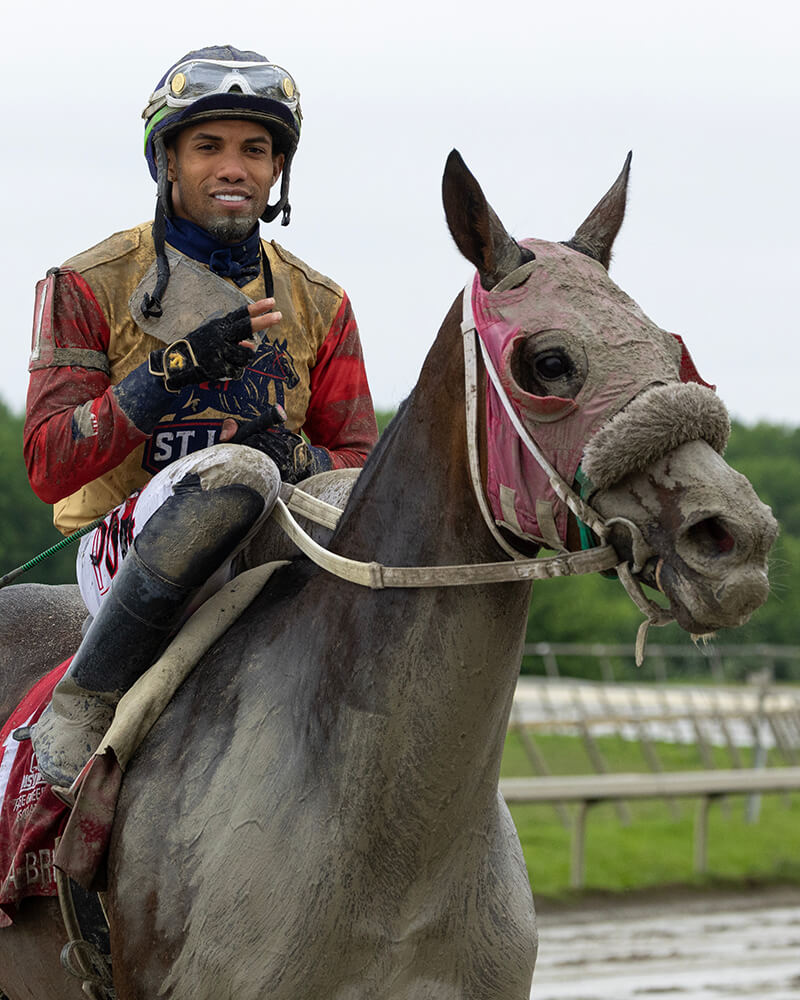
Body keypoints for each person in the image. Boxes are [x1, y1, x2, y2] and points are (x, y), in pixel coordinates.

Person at [23, 45, 378, 787]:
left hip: (276, 546)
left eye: (256, 150)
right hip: (123, 551)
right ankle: (84, 699)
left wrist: (301, 460)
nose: (233, 168)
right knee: (234, 469)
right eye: (208, 146)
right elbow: (48, 465)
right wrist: (170, 371)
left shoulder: (323, 302)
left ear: (277, 169)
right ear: (168, 162)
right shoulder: (85, 283)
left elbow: (360, 468)